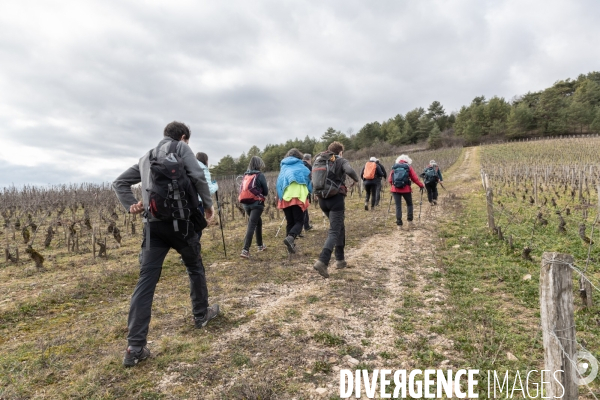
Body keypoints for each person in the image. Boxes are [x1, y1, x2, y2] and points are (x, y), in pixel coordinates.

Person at [112, 121, 219, 367]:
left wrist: (131, 204)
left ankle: (134, 347)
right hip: (182, 226)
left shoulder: (145, 158)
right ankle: (201, 315)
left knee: (146, 281)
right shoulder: (182, 149)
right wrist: (208, 206)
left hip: (153, 227)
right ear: (183, 137)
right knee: (194, 268)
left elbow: (119, 183)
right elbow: (198, 176)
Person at [313, 141, 359, 278]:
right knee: (334, 230)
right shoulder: (340, 160)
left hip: (322, 200)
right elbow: (350, 171)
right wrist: (356, 180)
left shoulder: (320, 160)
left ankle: (340, 260)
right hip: (336, 199)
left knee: (339, 226)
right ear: (340, 152)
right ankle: (323, 261)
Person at [276, 149, 312, 254]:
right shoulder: (302, 166)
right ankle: (291, 237)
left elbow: (279, 183)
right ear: (299, 157)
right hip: (298, 196)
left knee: (290, 222)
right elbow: (309, 178)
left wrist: (279, 197)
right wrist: (310, 190)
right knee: (299, 221)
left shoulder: (283, 168)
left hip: (285, 196)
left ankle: (290, 247)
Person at [239, 156, 269, 258]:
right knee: (252, 224)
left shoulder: (245, 175)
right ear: (259, 164)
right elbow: (266, 192)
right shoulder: (260, 175)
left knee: (258, 222)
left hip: (246, 204)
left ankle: (260, 245)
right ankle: (245, 250)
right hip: (257, 204)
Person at [388, 154, 424, 230]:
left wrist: (393, 186)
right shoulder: (408, 167)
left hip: (395, 190)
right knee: (409, 204)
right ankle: (410, 221)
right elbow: (415, 178)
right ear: (407, 160)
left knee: (398, 206)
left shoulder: (394, 167)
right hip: (406, 189)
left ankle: (399, 225)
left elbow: (390, 180)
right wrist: (421, 185)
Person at [302, 153, 313, 233]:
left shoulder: (299, 166)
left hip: (298, 188)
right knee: (304, 207)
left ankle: (303, 225)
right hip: (305, 189)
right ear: (309, 159)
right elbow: (312, 179)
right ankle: (306, 225)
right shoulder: (309, 167)